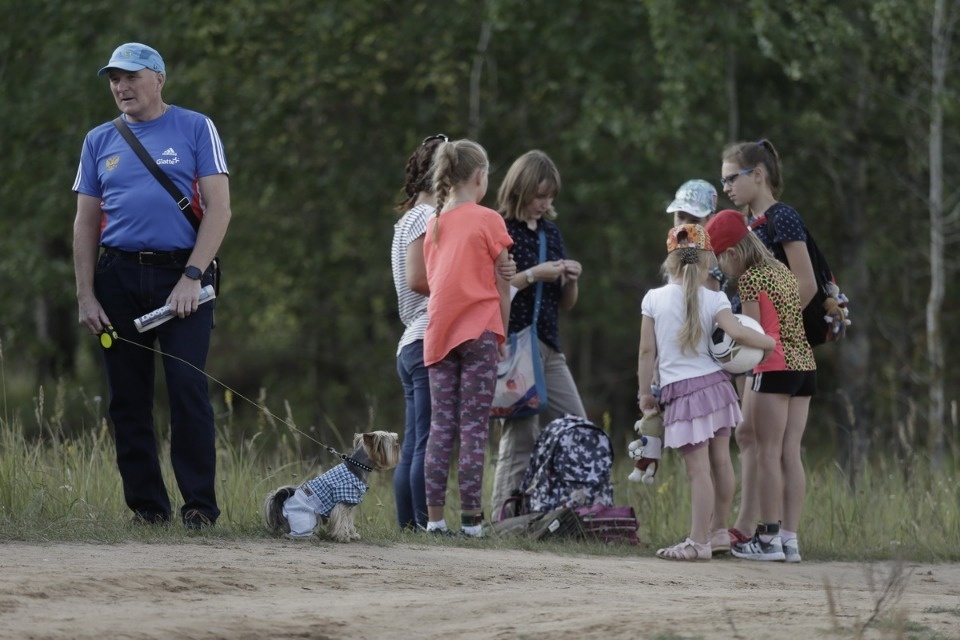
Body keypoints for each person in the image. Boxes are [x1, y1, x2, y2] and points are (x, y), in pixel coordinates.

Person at [72, 43, 231, 529]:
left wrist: (191, 276)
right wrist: (85, 293)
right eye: (114, 79)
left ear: (158, 78)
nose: (121, 87)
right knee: (128, 398)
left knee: (186, 389)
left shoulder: (195, 127)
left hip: (181, 277)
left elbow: (219, 210)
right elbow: (84, 222)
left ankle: (199, 507)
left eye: (131, 77)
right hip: (117, 276)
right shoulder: (99, 140)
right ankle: (148, 509)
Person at [638, 224, 774, 561]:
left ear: (669, 260)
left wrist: (645, 393)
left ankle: (697, 541)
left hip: (683, 396)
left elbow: (645, 353)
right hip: (718, 389)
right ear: (707, 260)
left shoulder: (653, 299)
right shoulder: (716, 298)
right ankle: (718, 532)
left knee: (697, 470)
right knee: (720, 463)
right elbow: (738, 332)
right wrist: (769, 343)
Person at [705, 210, 816, 562]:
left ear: (733, 254)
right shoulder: (782, 271)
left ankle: (767, 538)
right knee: (790, 452)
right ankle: (789, 538)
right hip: (805, 366)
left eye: (721, 262)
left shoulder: (751, 279)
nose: (723, 270)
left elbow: (752, 338)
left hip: (774, 366)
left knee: (767, 452)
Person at [422, 139, 514, 537]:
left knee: (441, 426)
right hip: (479, 331)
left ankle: (434, 519)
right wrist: (503, 332)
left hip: (439, 333)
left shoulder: (434, 223)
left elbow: (432, 282)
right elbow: (503, 281)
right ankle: (472, 520)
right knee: (473, 427)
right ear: (480, 177)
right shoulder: (489, 219)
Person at [489, 150, 587, 521]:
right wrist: (533, 274)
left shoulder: (551, 233)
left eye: (550, 197)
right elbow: (493, 288)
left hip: (549, 345)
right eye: (539, 195)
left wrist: (570, 281)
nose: (544, 204)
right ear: (521, 189)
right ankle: (504, 518)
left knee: (575, 425)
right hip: (514, 346)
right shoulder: (500, 229)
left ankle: (571, 510)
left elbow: (566, 303)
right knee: (520, 437)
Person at [390, 133, 448, 532]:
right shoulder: (426, 218)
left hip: (412, 340)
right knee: (425, 443)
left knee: (415, 442)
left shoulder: (410, 217)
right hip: (425, 337)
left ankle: (410, 527)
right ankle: (423, 524)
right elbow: (418, 278)